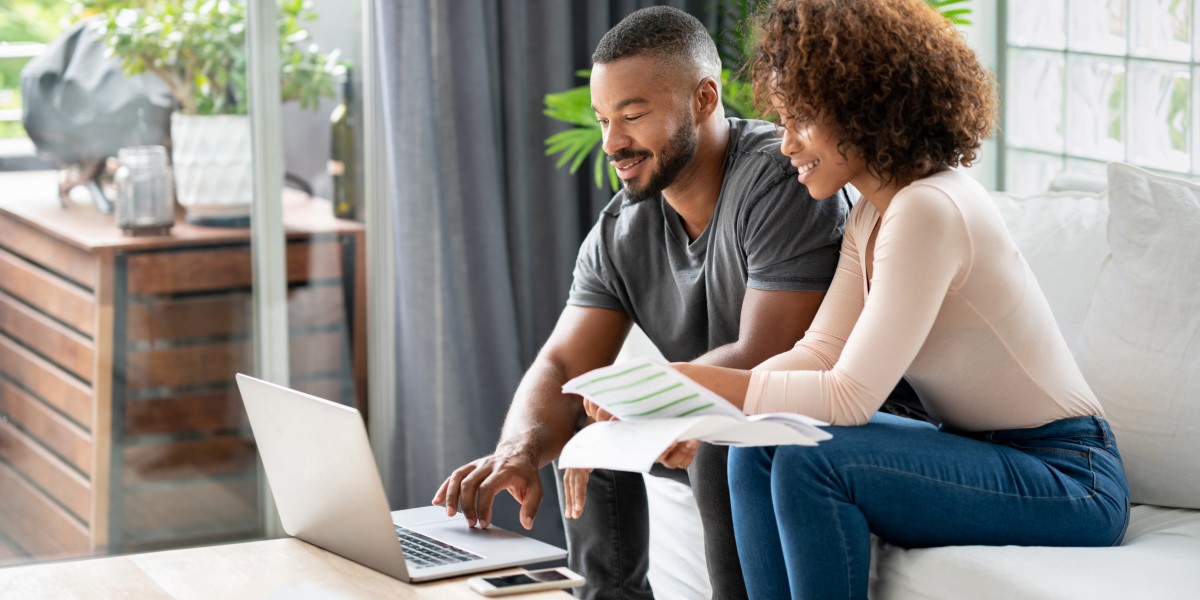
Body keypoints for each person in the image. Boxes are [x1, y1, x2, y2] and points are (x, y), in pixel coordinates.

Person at [431, 6, 922, 600]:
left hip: (839, 418)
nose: (613, 143)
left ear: (704, 99)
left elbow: (770, 356)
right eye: (603, 119)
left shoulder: (781, 179)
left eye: (633, 115)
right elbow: (562, 365)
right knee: (591, 424)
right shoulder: (621, 229)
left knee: (719, 439)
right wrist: (519, 448)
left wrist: (646, 405)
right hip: (713, 412)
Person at [665, 1, 1131, 598]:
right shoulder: (872, 213)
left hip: (1071, 476)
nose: (786, 145)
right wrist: (715, 407)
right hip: (985, 451)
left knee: (812, 462)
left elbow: (850, 397)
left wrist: (692, 386)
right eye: (782, 121)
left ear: (862, 107)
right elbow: (819, 352)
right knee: (758, 444)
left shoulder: (927, 209)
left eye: (801, 119)